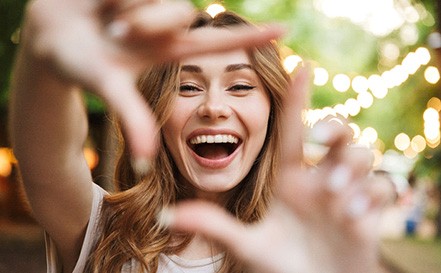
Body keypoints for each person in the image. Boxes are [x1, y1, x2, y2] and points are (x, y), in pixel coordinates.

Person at [9, 0, 392, 272]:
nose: (213, 107)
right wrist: (43, 66)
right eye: (188, 87)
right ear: (157, 111)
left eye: (240, 86)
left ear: (274, 113)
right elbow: (49, 154)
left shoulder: (307, 247)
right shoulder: (100, 228)